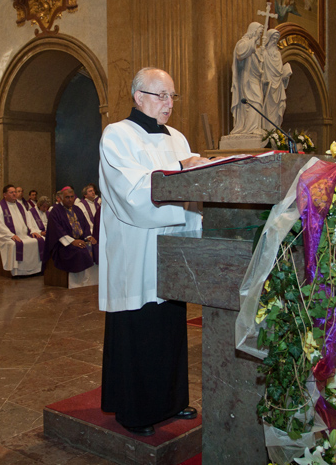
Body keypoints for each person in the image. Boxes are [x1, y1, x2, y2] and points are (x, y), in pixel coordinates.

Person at [99, 67, 209, 436]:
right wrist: (181, 168)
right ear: (138, 96)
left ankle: (172, 401)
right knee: (140, 328)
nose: (168, 103)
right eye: (161, 95)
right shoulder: (117, 134)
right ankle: (137, 411)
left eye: (172, 96)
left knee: (171, 327)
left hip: (172, 249)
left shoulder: (178, 137)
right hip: (137, 250)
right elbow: (130, 191)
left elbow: (193, 188)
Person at [0, 184, 44, 276]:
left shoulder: (20, 206)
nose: (14, 194)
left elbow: (29, 220)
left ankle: (36, 269)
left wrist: (33, 231)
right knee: (13, 244)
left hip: (24, 235)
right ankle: (18, 272)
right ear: (5, 195)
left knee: (41, 239)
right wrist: (11, 235)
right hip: (7, 236)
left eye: (15, 192)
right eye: (11, 192)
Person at [44, 187, 98, 287]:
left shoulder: (77, 209)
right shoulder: (55, 211)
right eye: (67, 197)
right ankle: (77, 284)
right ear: (61, 198)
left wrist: (88, 237)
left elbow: (85, 225)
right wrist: (72, 241)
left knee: (95, 247)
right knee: (79, 251)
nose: (70, 199)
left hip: (80, 240)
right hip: (63, 244)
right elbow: (57, 230)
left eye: (72, 197)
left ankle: (93, 282)